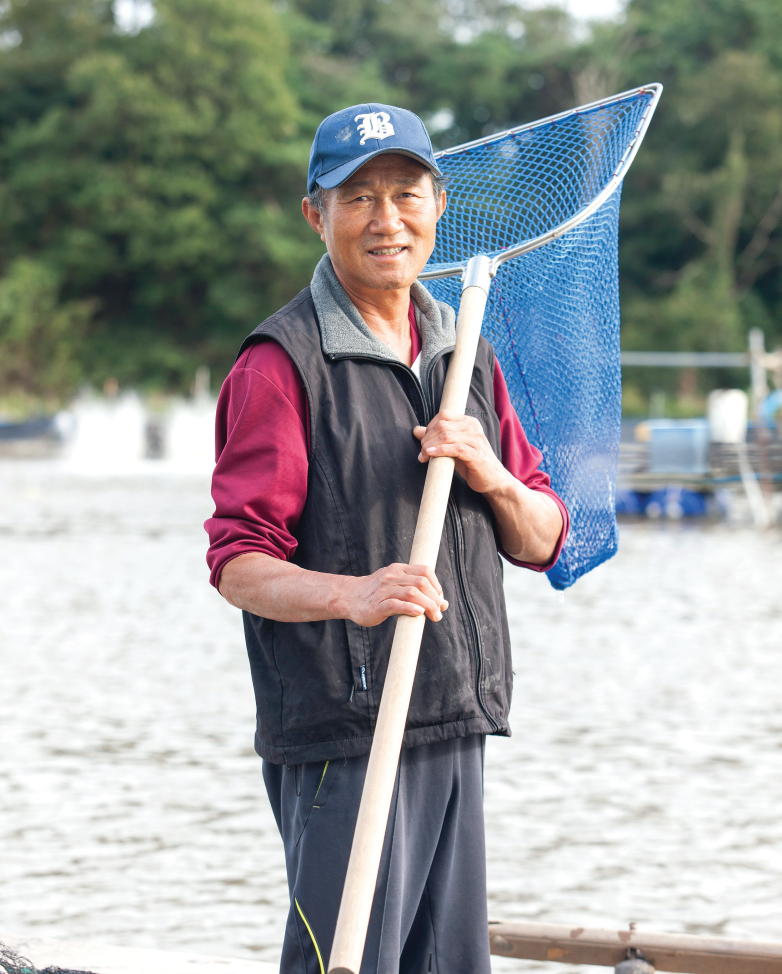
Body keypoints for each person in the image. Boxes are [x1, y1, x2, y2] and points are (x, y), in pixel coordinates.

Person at [205, 103, 569, 974]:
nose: (386, 219)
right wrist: (354, 595)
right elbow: (237, 564)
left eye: (405, 194)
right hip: (345, 735)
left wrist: (492, 472)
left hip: (455, 719)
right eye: (357, 197)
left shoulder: (468, 353)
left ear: (437, 205)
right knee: (347, 960)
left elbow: (545, 536)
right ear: (315, 214)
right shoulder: (279, 365)